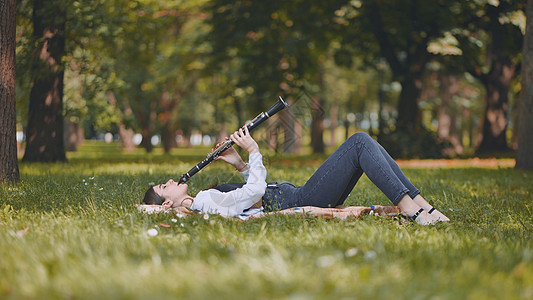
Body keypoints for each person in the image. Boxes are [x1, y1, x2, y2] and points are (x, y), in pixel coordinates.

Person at [142, 126, 449, 225]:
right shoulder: (205, 202)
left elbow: (253, 196)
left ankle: (421, 206)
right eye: (163, 187)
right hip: (305, 197)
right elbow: (255, 191)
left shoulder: (206, 202)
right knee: (359, 142)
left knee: (365, 144)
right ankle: (414, 209)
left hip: (299, 192)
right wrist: (253, 150)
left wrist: (237, 164)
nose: (169, 181)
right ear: (166, 204)